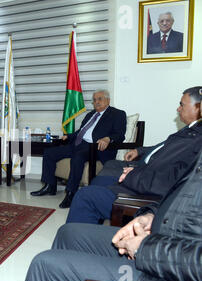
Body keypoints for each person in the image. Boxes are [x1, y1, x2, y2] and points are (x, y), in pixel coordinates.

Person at [20, 145, 202, 281]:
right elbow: (179, 198)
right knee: (67, 233)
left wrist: (145, 247)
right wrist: (150, 216)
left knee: (43, 265)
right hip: (167, 241)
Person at [66, 86, 202, 224]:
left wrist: (133, 174)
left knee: (84, 195)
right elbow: (163, 147)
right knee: (107, 169)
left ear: (199, 108)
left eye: (182, 105)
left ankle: (95, 210)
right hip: (144, 170)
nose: (178, 109)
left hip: (148, 187)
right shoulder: (189, 131)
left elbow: (174, 177)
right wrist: (139, 151)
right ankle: (96, 215)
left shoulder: (195, 140)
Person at [30, 90, 127, 209]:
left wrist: (108, 138)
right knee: (49, 152)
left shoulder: (117, 114)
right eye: (94, 100)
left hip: (95, 148)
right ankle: (50, 186)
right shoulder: (90, 114)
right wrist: (68, 136)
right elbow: (81, 131)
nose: (96, 102)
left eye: (100, 99)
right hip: (78, 144)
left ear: (108, 100)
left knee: (78, 157)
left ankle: (71, 193)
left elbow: (120, 134)